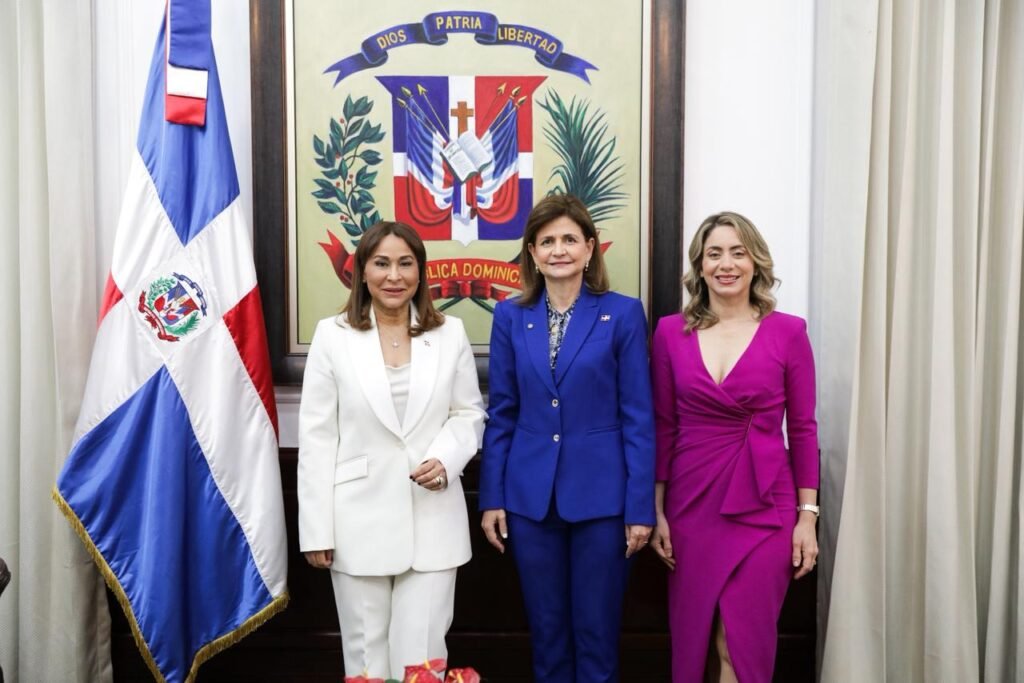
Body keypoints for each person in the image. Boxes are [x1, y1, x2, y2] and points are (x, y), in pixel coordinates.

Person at [297, 221, 486, 680]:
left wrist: (445, 457)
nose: (393, 275)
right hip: (355, 523)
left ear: (421, 273)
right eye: (381, 263)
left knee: (421, 661)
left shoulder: (450, 333)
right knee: (365, 660)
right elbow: (317, 436)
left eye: (405, 263)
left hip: (433, 523)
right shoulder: (331, 335)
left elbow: (469, 414)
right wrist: (316, 530)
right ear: (362, 271)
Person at [479, 194, 655, 683]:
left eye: (569, 240)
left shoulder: (620, 314)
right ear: (532, 252)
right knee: (548, 636)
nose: (559, 250)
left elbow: (638, 416)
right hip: (530, 503)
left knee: (596, 637)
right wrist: (492, 497)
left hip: (603, 503)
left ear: (589, 248)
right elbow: (503, 412)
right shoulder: (511, 316)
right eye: (548, 241)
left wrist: (641, 507)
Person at [649, 211, 819, 682]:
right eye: (715, 253)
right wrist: (657, 510)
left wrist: (808, 517)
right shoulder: (669, 332)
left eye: (738, 252)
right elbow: (664, 425)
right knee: (696, 637)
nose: (727, 263)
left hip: (767, 505)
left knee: (738, 641)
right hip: (690, 505)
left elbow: (803, 429)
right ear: (699, 267)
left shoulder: (789, 331)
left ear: (755, 262)